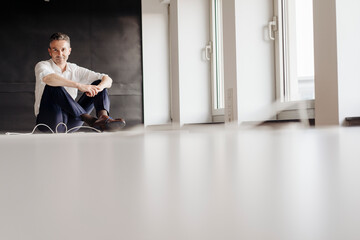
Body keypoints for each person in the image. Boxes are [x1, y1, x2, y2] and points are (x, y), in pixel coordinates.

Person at [34, 32, 125, 133]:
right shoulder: (43, 65)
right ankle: (90, 120)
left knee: (99, 82)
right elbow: (48, 79)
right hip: (49, 122)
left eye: (63, 49)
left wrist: (98, 88)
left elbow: (107, 79)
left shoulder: (74, 69)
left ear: (69, 51)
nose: (60, 54)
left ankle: (103, 119)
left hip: (72, 121)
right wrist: (79, 85)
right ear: (50, 52)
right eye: (55, 50)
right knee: (54, 85)